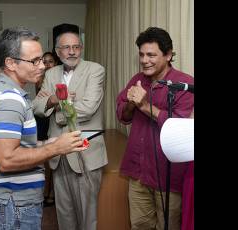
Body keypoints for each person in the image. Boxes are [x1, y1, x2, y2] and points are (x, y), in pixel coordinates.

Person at [0, 26, 88, 230]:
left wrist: (48, 142)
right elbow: (7, 160)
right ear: (10, 63)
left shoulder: (10, 93)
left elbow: (17, 145)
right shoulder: (9, 99)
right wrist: (55, 149)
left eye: (41, 59)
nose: (42, 66)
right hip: (14, 205)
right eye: (35, 61)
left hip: (15, 203)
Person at [116, 27, 194, 230]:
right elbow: (123, 116)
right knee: (139, 225)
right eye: (141, 54)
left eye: (151, 55)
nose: (144, 60)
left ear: (168, 55)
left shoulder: (185, 84)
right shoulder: (137, 79)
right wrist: (132, 104)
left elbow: (178, 126)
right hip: (138, 173)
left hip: (170, 178)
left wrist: (144, 105)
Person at [33, 29, 107, 230]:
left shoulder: (95, 70)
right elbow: (36, 107)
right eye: (66, 47)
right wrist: (52, 100)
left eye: (76, 47)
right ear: (58, 51)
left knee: (87, 215)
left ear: (81, 49)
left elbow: (89, 107)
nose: (72, 52)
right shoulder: (50, 74)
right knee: (64, 213)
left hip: (85, 151)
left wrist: (57, 111)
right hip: (57, 151)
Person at [34, 51, 57, 206]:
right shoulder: (39, 80)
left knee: (54, 160)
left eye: (51, 61)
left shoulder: (60, 79)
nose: (48, 64)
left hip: (55, 121)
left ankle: (52, 193)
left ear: (55, 63)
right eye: (45, 61)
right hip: (42, 121)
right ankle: (44, 192)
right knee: (44, 160)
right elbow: (41, 103)